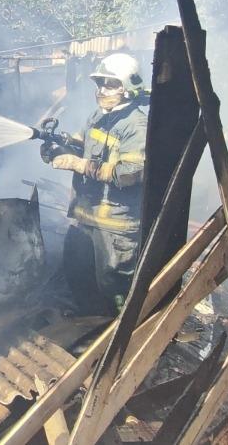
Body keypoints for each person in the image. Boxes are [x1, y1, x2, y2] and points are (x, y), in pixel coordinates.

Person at [49, 52, 148, 314]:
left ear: (128, 87)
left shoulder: (136, 125)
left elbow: (131, 173)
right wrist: (59, 149)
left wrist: (81, 165)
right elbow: (82, 144)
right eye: (100, 83)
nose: (103, 89)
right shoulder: (98, 116)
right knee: (77, 274)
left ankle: (119, 337)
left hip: (115, 225)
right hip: (86, 217)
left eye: (111, 84)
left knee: (113, 288)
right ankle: (89, 329)